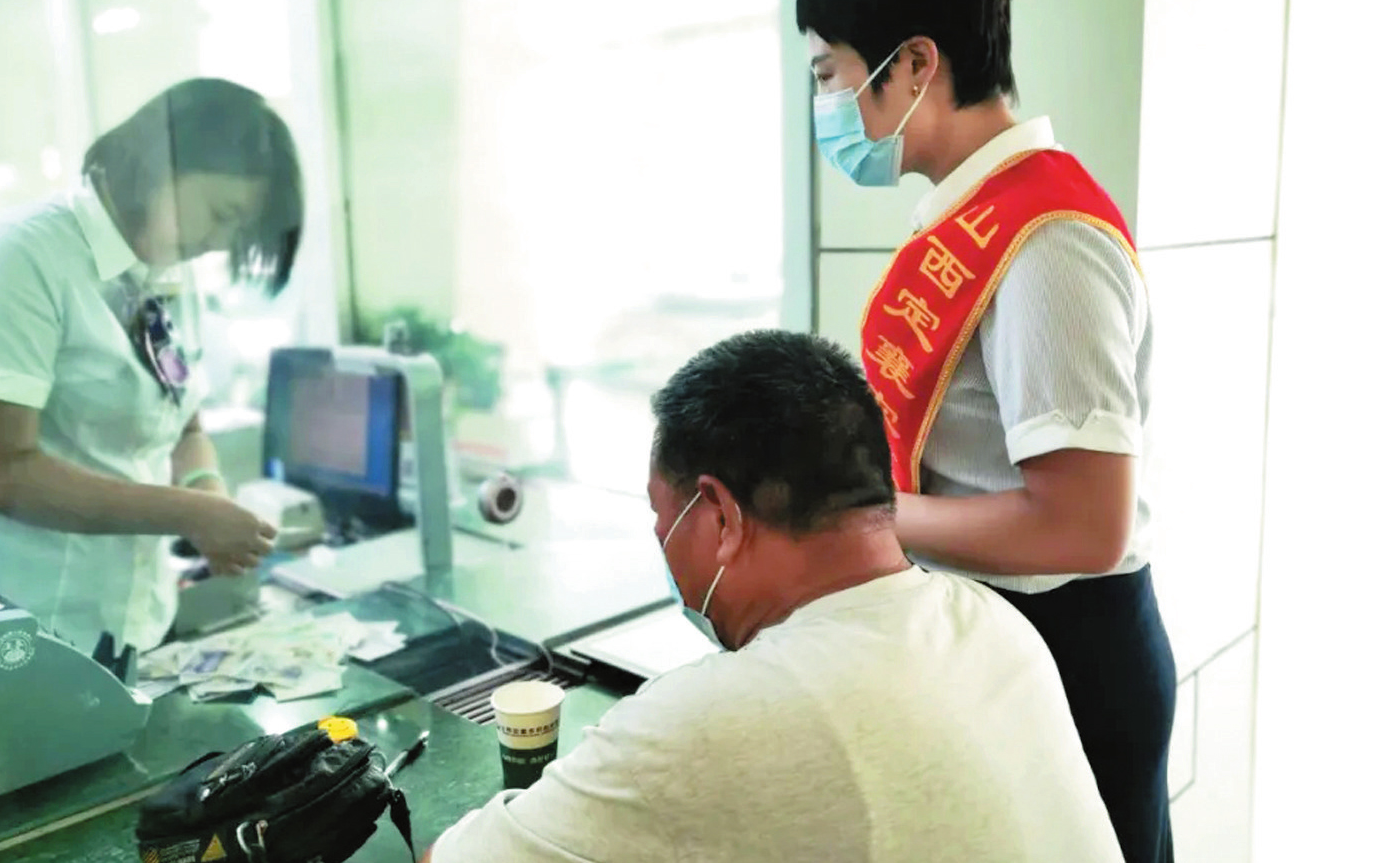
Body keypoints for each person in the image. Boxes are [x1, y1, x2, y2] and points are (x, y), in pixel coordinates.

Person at [424, 330, 1122, 863]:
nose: (660, 540)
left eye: (661, 516)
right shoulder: (996, 624)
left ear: (721, 516)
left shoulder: (715, 718)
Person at [797, 0, 1176, 861]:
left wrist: (862, 516)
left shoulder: (1046, 242)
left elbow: (1081, 525)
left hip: (1066, 649)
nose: (824, 105)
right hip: (1005, 633)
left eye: (828, 74)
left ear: (913, 64)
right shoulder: (974, 212)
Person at [0, 78, 304, 657]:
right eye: (221, 214)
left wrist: (208, 493)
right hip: (8, 631)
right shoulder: (18, 258)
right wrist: (191, 514)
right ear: (160, 164)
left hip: (128, 626)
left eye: (237, 229)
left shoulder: (166, 276)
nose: (219, 242)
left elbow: (185, 426)